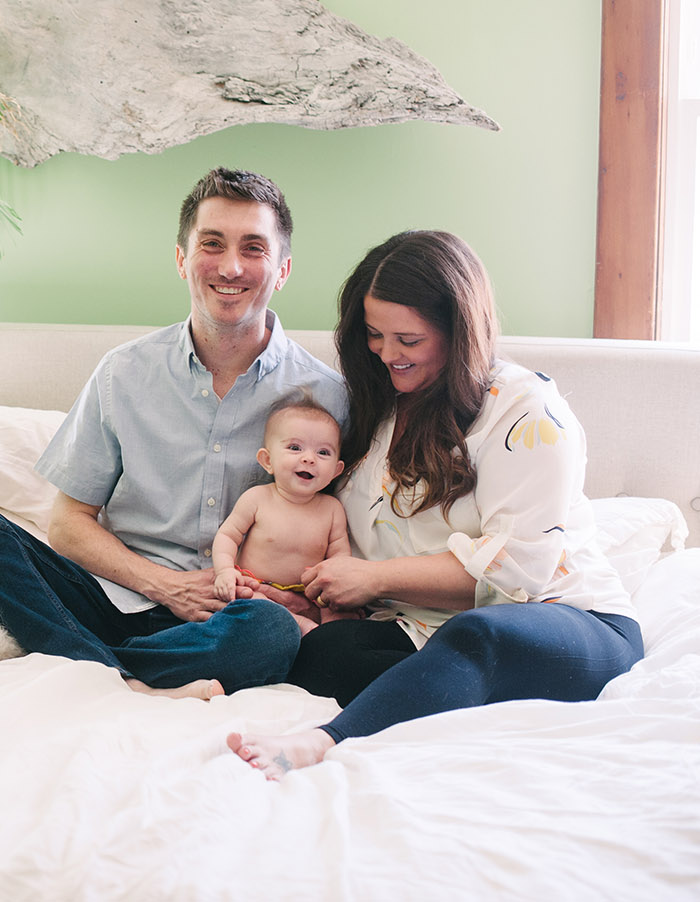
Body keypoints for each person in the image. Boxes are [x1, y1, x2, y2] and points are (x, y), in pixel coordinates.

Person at [228, 229, 643, 777]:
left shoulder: (527, 412)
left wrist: (372, 580)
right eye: (375, 335)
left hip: (560, 617)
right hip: (423, 622)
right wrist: (319, 593)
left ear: (459, 330)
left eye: (408, 339)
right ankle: (453, 688)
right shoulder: (383, 406)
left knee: (476, 636)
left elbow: (518, 575)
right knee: (323, 651)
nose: (386, 354)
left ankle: (325, 741)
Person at [0, 167, 348, 699]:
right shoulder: (122, 373)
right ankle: (127, 678)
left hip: (229, 619)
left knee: (272, 635)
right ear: (181, 259)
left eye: (254, 248)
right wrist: (164, 585)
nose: (232, 266)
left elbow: (347, 539)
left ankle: (94, 669)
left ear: (282, 269)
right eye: (211, 244)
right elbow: (68, 523)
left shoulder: (328, 398)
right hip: (113, 598)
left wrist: (307, 597)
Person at [211, 393, 351, 634]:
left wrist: (334, 589)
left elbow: (340, 556)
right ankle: (300, 625)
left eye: (323, 453)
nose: (309, 458)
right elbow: (227, 536)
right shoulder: (257, 499)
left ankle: (328, 634)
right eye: (295, 448)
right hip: (256, 585)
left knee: (339, 613)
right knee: (245, 598)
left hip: (308, 594)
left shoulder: (332, 509)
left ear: (337, 470)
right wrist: (225, 571)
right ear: (267, 460)